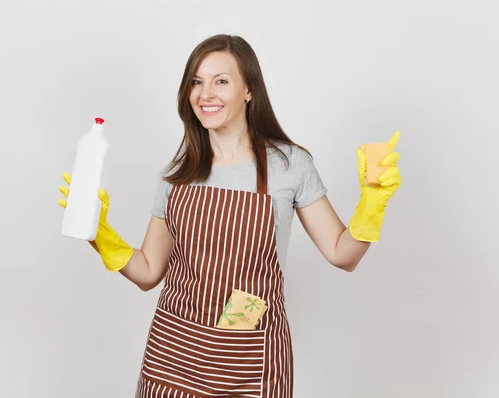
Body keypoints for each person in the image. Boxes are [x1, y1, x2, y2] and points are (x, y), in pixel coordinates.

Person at [58, 34, 402, 397]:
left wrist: (372, 205)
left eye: (221, 81)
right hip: (173, 352)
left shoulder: (288, 165)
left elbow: (342, 255)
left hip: (249, 357)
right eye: (196, 82)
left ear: (249, 89)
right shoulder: (179, 172)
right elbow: (147, 273)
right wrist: (101, 234)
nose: (205, 94)